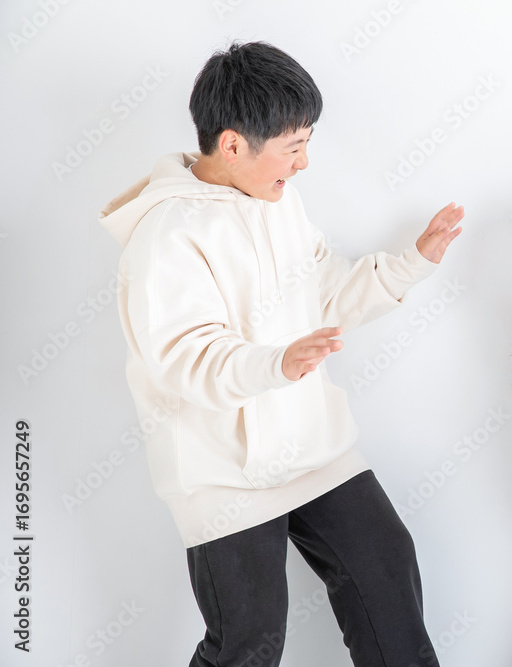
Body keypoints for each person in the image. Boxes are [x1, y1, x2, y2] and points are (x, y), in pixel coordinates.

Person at [99, 41, 463, 667]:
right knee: (249, 638)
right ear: (233, 145)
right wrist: (277, 362)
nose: (303, 162)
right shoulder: (166, 235)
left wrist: (409, 265)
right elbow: (187, 358)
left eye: (306, 142)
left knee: (384, 569)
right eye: (293, 146)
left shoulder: (277, 201)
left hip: (312, 445)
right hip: (220, 471)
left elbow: (322, 291)